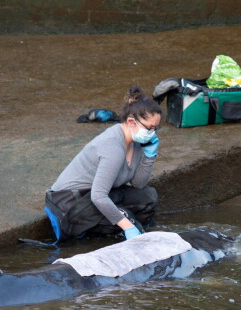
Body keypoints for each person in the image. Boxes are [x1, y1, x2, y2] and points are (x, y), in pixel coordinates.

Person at [45, 85, 162, 241]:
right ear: (131, 122)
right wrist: (128, 226)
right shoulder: (112, 146)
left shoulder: (136, 142)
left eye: (156, 128)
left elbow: (139, 184)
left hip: (97, 195)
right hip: (70, 203)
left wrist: (149, 154)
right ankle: (98, 235)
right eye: (149, 128)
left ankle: (115, 228)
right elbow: (99, 196)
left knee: (149, 197)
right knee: (131, 223)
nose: (152, 133)